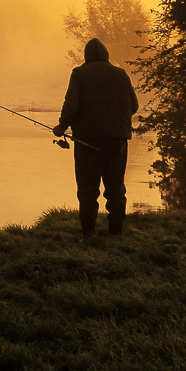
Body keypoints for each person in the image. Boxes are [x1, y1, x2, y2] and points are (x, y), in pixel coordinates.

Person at [53, 37, 140, 237]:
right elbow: (133, 106)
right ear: (106, 55)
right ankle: (116, 231)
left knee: (88, 188)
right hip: (117, 141)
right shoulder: (121, 74)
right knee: (115, 188)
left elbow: (71, 106)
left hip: (87, 141)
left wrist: (61, 127)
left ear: (86, 56)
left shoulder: (79, 73)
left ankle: (88, 232)